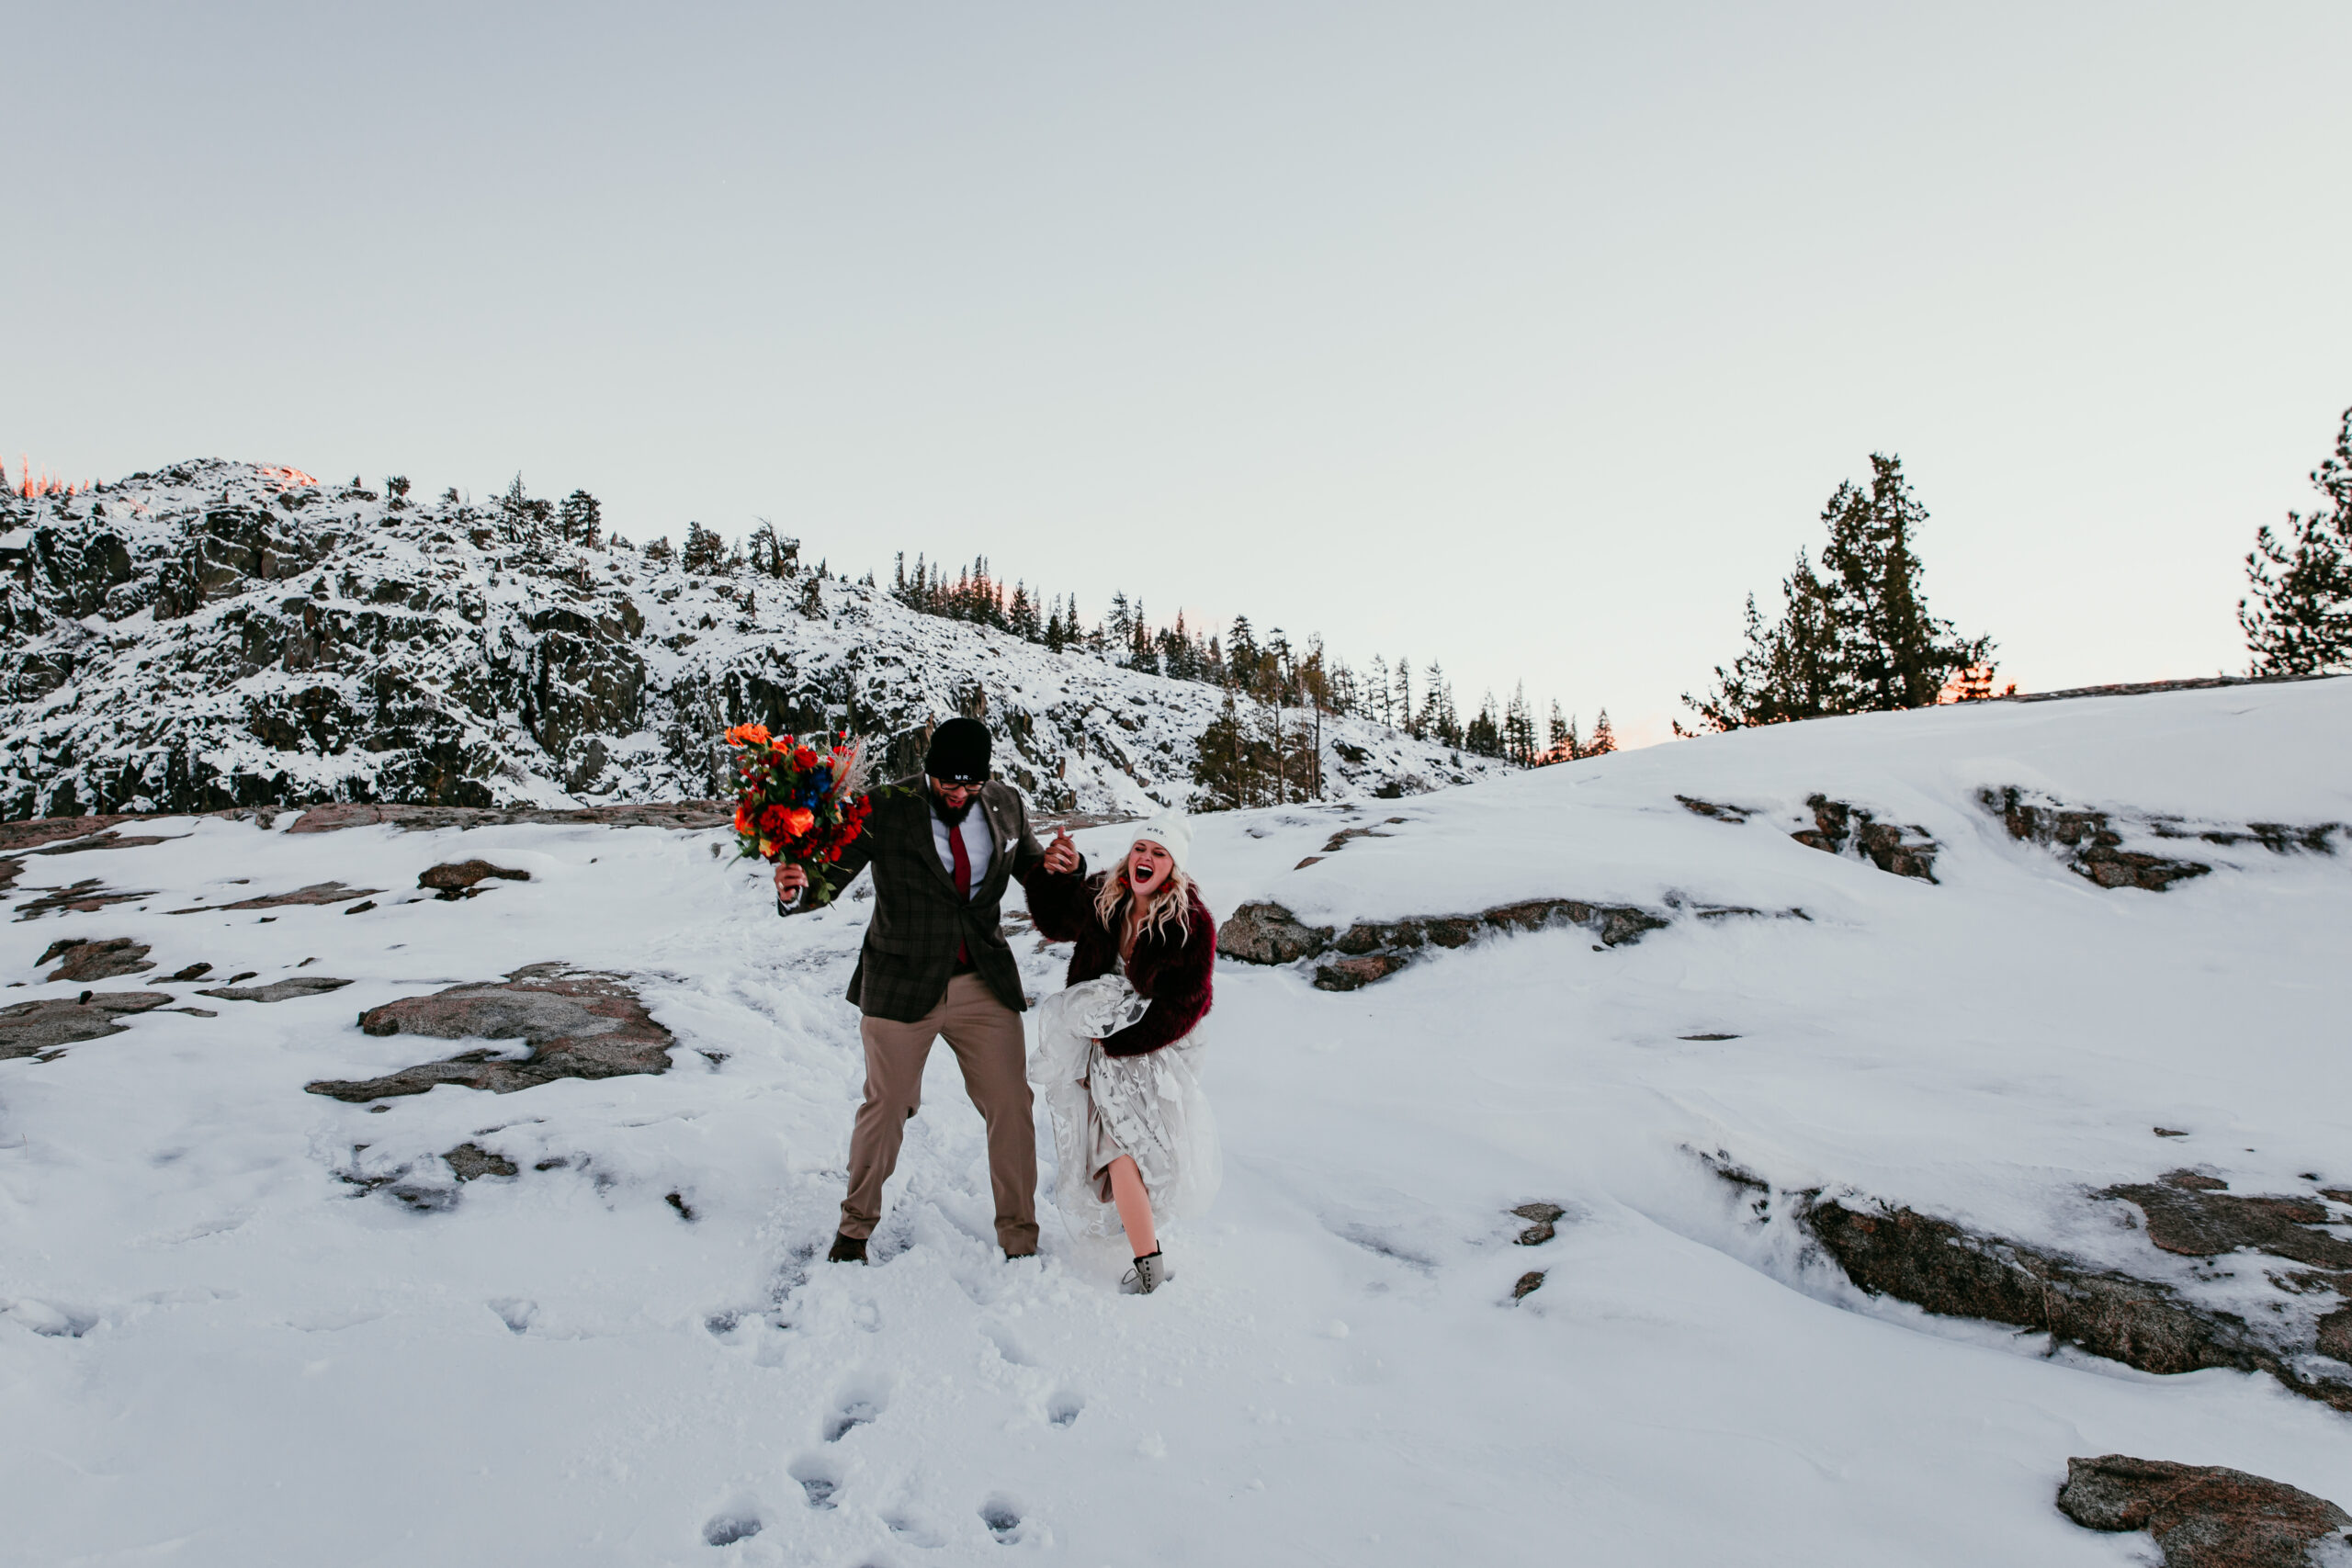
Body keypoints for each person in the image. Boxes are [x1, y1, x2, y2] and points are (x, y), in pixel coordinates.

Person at [774, 716, 1083, 1263]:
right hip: (900, 982)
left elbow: (1034, 869)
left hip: (982, 981)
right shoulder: (883, 806)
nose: (958, 792)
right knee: (887, 1104)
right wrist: (795, 885)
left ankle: (1019, 1238)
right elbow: (826, 880)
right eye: (947, 782)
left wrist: (1065, 868)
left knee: (1012, 1104)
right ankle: (853, 1232)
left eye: (969, 783)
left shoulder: (1006, 802)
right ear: (929, 770)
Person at [1023, 817, 1218, 1294]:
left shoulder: (1190, 920)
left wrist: (1120, 1042)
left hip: (1151, 1049)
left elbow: (1190, 1002)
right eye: (1140, 849)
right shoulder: (1104, 894)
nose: (1145, 859)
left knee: (1128, 1148)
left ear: (1173, 867)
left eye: (1158, 853)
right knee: (1115, 1147)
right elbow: (1054, 921)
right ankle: (1146, 1256)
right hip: (1099, 1049)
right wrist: (1056, 875)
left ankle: (1147, 1256)